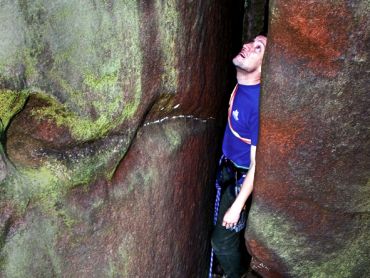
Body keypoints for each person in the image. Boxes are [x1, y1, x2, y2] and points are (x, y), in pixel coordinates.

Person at [210, 35, 267, 278]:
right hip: (230, 166)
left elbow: (257, 164)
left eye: (258, 48)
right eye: (251, 42)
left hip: (241, 179)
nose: (247, 46)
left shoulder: (255, 103)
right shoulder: (242, 86)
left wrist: (237, 206)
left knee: (222, 243)